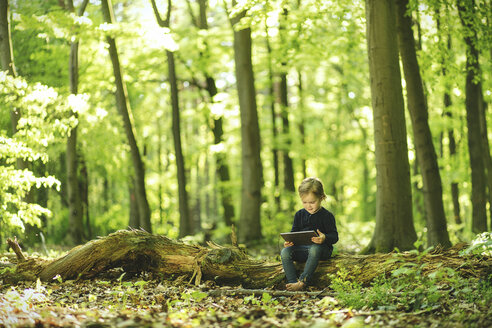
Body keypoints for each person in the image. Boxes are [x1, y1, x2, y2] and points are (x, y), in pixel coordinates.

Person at [280, 177, 338, 291]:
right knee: (285, 252)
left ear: (321, 198)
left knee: (315, 249)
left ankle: (303, 282)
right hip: (302, 250)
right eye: (304, 202)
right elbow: (294, 232)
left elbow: (334, 236)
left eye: (312, 202)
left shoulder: (327, 216)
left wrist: (324, 238)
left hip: (321, 250)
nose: (308, 206)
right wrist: (289, 242)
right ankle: (292, 283)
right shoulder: (299, 214)